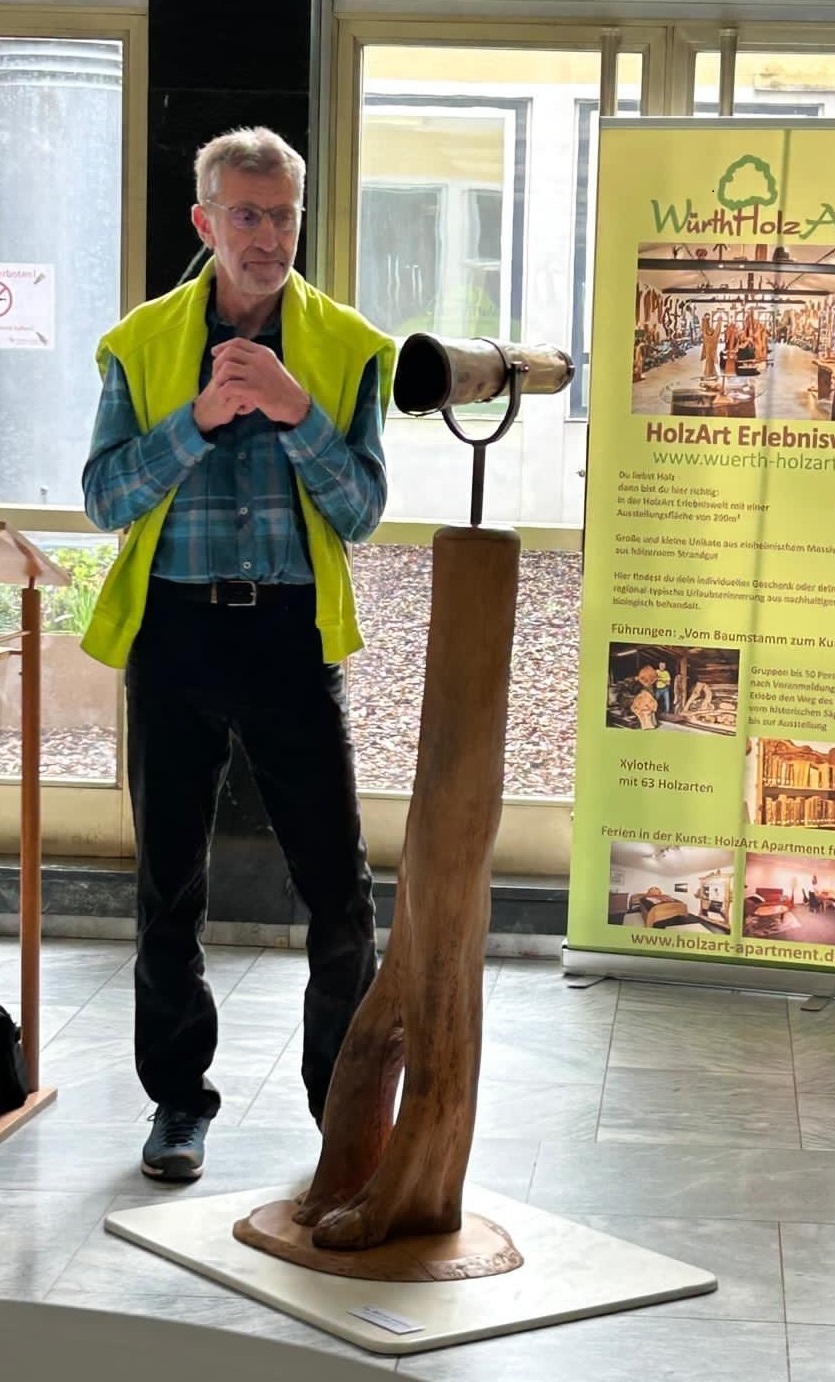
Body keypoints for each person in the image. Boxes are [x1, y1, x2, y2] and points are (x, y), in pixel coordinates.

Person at [80, 126, 396, 1182]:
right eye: (246, 215)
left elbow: (358, 515)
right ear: (204, 221)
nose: (267, 237)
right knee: (169, 882)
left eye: (284, 215)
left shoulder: (350, 349)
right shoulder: (139, 343)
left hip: (287, 636)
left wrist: (299, 412)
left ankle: (339, 1104)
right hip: (172, 631)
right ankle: (178, 1099)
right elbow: (105, 498)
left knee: (341, 891)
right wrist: (200, 418)